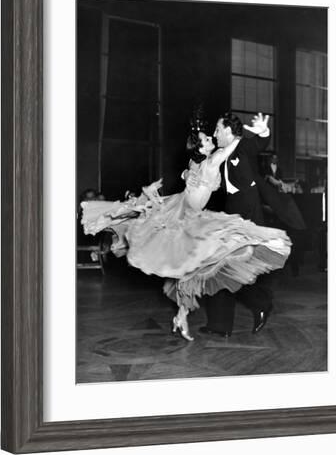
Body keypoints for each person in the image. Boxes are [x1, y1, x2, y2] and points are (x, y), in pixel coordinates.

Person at [81, 125, 291, 341]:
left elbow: (193, 166)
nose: (211, 137)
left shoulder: (197, 161)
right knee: (192, 267)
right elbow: (233, 144)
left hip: (185, 214)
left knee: (191, 269)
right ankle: (187, 316)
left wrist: (187, 172)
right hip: (185, 217)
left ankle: (183, 316)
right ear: (201, 148)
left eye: (212, 135)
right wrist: (240, 133)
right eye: (207, 138)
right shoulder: (213, 158)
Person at [200, 112, 277, 337]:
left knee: (228, 270)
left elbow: (259, 144)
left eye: (217, 130)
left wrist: (264, 131)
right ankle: (221, 325)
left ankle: (260, 303)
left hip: (246, 219)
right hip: (229, 215)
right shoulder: (220, 154)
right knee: (219, 270)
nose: (214, 134)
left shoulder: (242, 147)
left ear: (227, 131)